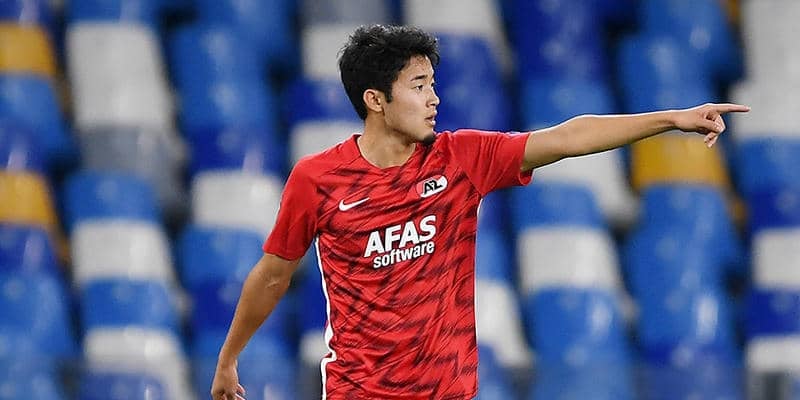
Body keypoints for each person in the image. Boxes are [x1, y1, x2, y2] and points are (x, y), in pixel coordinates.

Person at [211, 24, 749, 400]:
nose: (434, 99)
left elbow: (567, 137)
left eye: (433, 85)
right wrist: (229, 357)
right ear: (375, 100)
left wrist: (672, 118)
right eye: (418, 86)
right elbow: (273, 275)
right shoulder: (317, 179)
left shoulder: (461, 158)